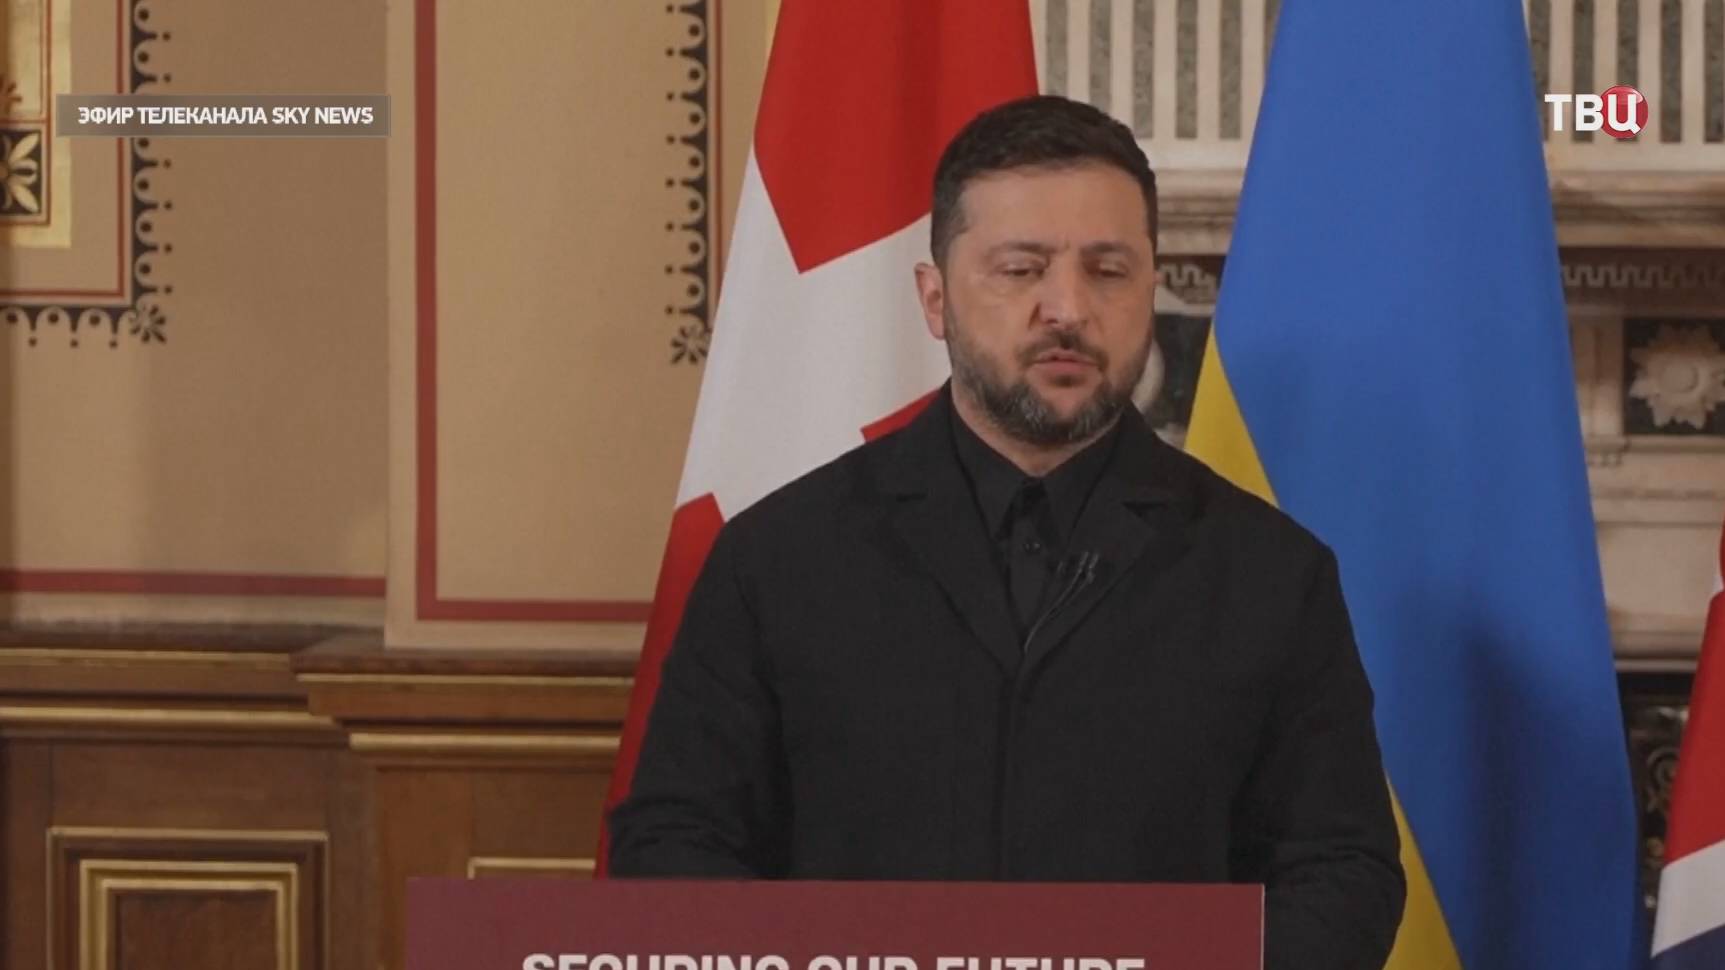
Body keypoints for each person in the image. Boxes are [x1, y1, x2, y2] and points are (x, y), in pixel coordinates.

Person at [608, 95, 1406, 970]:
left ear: (1150, 288)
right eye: (1021, 269)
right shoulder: (776, 560)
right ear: (935, 299)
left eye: (1108, 270)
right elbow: (674, 842)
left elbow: (1339, 871)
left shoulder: (1270, 574)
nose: (1066, 308)